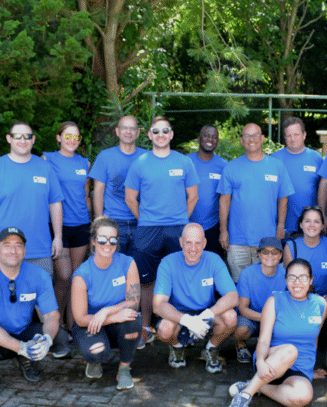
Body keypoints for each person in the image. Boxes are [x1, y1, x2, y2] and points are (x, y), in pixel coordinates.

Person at [0, 227, 63, 395]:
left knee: (60, 337)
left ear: (24, 250)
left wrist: (47, 340)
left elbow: (52, 315)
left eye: (18, 245)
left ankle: (24, 358)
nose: (13, 250)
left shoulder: (39, 274)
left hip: (22, 330)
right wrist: (21, 347)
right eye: (7, 245)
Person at [125, 116, 199, 348]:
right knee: (146, 281)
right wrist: (147, 220)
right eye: (155, 131)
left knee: (179, 278)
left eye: (164, 130)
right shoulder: (140, 163)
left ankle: (178, 328)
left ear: (171, 134)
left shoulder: (184, 162)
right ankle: (146, 327)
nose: (160, 135)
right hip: (147, 229)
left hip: (177, 228)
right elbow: (130, 198)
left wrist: (181, 221)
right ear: (149, 135)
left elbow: (193, 196)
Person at [227, 258, 327, 407]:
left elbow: (314, 339)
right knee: (290, 350)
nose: (297, 282)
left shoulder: (321, 304)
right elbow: (264, 340)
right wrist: (260, 361)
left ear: (311, 280)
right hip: (271, 360)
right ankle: (244, 396)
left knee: (302, 398)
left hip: (300, 367)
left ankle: (256, 385)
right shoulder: (275, 301)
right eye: (291, 277)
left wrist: (310, 369)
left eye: (302, 277)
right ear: (286, 280)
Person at [0, 121, 64, 276]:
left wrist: (58, 237)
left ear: (33, 139)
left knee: (39, 298)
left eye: (27, 136)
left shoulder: (45, 168)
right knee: (2, 298)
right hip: (2, 251)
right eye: (17, 136)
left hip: (39, 249)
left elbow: (55, 204)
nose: (23, 140)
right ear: (9, 139)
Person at [153, 223, 238, 373]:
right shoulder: (168, 263)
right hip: (179, 313)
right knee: (164, 330)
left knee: (231, 317)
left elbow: (232, 296)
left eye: (198, 243)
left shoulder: (214, 260)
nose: (193, 248)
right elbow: (158, 305)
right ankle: (177, 347)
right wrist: (187, 320)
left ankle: (211, 348)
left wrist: (207, 314)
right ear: (181, 242)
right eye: (188, 243)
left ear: (204, 243)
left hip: (206, 311)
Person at [70, 216, 141, 389]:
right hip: (89, 325)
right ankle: (94, 361)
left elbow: (133, 302)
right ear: (94, 241)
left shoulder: (127, 263)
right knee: (96, 353)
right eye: (102, 239)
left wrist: (106, 311)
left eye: (113, 240)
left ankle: (124, 369)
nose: (107, 244)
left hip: (112, 322)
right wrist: (113, 317)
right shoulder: (82, 274)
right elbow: (80, 319)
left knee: (134, 319)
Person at [218, 123, 294, 281]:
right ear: (241, 140)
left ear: (262, 138)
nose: (251, 139)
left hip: (267, 238)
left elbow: (283, 199)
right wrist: (223, 231)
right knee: (240, 284)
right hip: (237, 240)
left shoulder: (277, 166)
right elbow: (224, 201)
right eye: (246, 136)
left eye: (255, 135)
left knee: (266, 282)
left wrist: (280, 226)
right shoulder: (231, 168)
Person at [42, 121, 91, 330]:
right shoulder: (47, 159)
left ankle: (73, 327)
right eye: (67, 136)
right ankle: (56, 327)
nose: (72, 140)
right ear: (59, 137)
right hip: (58, 227)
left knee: (76, 278)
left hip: (82, 225)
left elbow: (86, 195)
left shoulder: (84, 163)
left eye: (76, 137)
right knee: (63, 277)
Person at [89, 116, 148, 255]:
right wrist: (99, 222)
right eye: (124, 128)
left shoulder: (147, 157)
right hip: (113, 222)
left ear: (138, 132)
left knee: (139, 269)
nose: (128, 131)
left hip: (141, 221)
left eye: (132, 128)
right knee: (113, 268)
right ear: (117, 131)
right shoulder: (105, 157)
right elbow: (98, 191)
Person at [233, 237, 288, 364]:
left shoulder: (286, 275)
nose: (270, 255)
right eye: (265, 252)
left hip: (276, 318)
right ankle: (240, 345)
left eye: (274, 252)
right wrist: (266, 318)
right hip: (252, 317)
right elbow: (243, 308)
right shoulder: (247, 274)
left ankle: (271, 345)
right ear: (258, 254)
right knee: (241, 330)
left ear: (280, 255)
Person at [270, 117, 323, 238]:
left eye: (296, 134)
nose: (293, 139)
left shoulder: (316, 158)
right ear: (284, 138)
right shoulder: (274, 159)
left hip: (310, 227)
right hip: (282, 227)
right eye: (289, 135)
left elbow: (323, 190)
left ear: (304, 135)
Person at [283, 206, 327, 304]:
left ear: (322, 226)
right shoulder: (291, 247)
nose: (312, 225)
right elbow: (291, 280)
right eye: (307, 221)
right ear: (301, 224)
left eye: (316, 221)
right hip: (301, 300)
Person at [188, 125, 228, 257]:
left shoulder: (224, 166)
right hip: (186, 224)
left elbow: (226, 198)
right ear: (198, 139)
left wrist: (223, 230)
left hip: (213, 227)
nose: (210, 139)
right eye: (206, 135)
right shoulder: (185, 162)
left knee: (212, 267)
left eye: (214, 137)